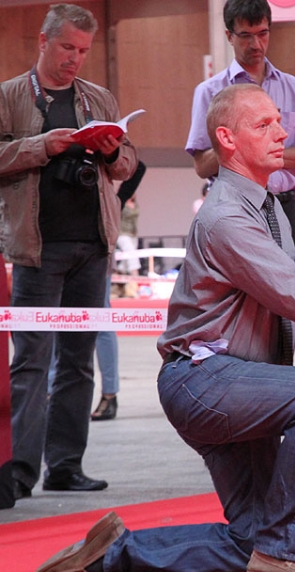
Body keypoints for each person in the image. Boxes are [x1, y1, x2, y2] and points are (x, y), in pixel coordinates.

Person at [33, 84, 295, 572]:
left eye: (279, 120)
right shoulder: (229, 215)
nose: (282, 131)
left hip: (231, 380)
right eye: (264, 125)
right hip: (205, 382)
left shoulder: (268, 204)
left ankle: (112, 553)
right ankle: (287, 551)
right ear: (227, 139)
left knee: (251, 538)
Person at [0, 3, 138, 500]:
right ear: (43, 41)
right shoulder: (10, 96)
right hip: (37, 251)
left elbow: (126, 166)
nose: (74, 59)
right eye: (66, 48)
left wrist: (110, 151)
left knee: (78, 362)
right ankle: (17, 471)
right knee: (31, 362)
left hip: (92, 248)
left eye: (82, 51)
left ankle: (65, 466)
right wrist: (44, 146)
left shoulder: (97, 97)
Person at [186, 0, 295, 250]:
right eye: (246, 36)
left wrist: (249, 152)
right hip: (234, 208)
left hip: (284, 204)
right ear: (229, 36)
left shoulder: (294, 88)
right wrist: (254, 151)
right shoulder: (209, 92)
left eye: (262, 33)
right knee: (238, 287)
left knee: (284, 286)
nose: (256, 44)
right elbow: (202, 165)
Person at [92, 160, 147, 421]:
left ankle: (110, 394)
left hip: (98, 239)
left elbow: (139, 166)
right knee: (56, 322)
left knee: (102, 319)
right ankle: (48, 392)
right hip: (58, 238)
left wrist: (117, 202)